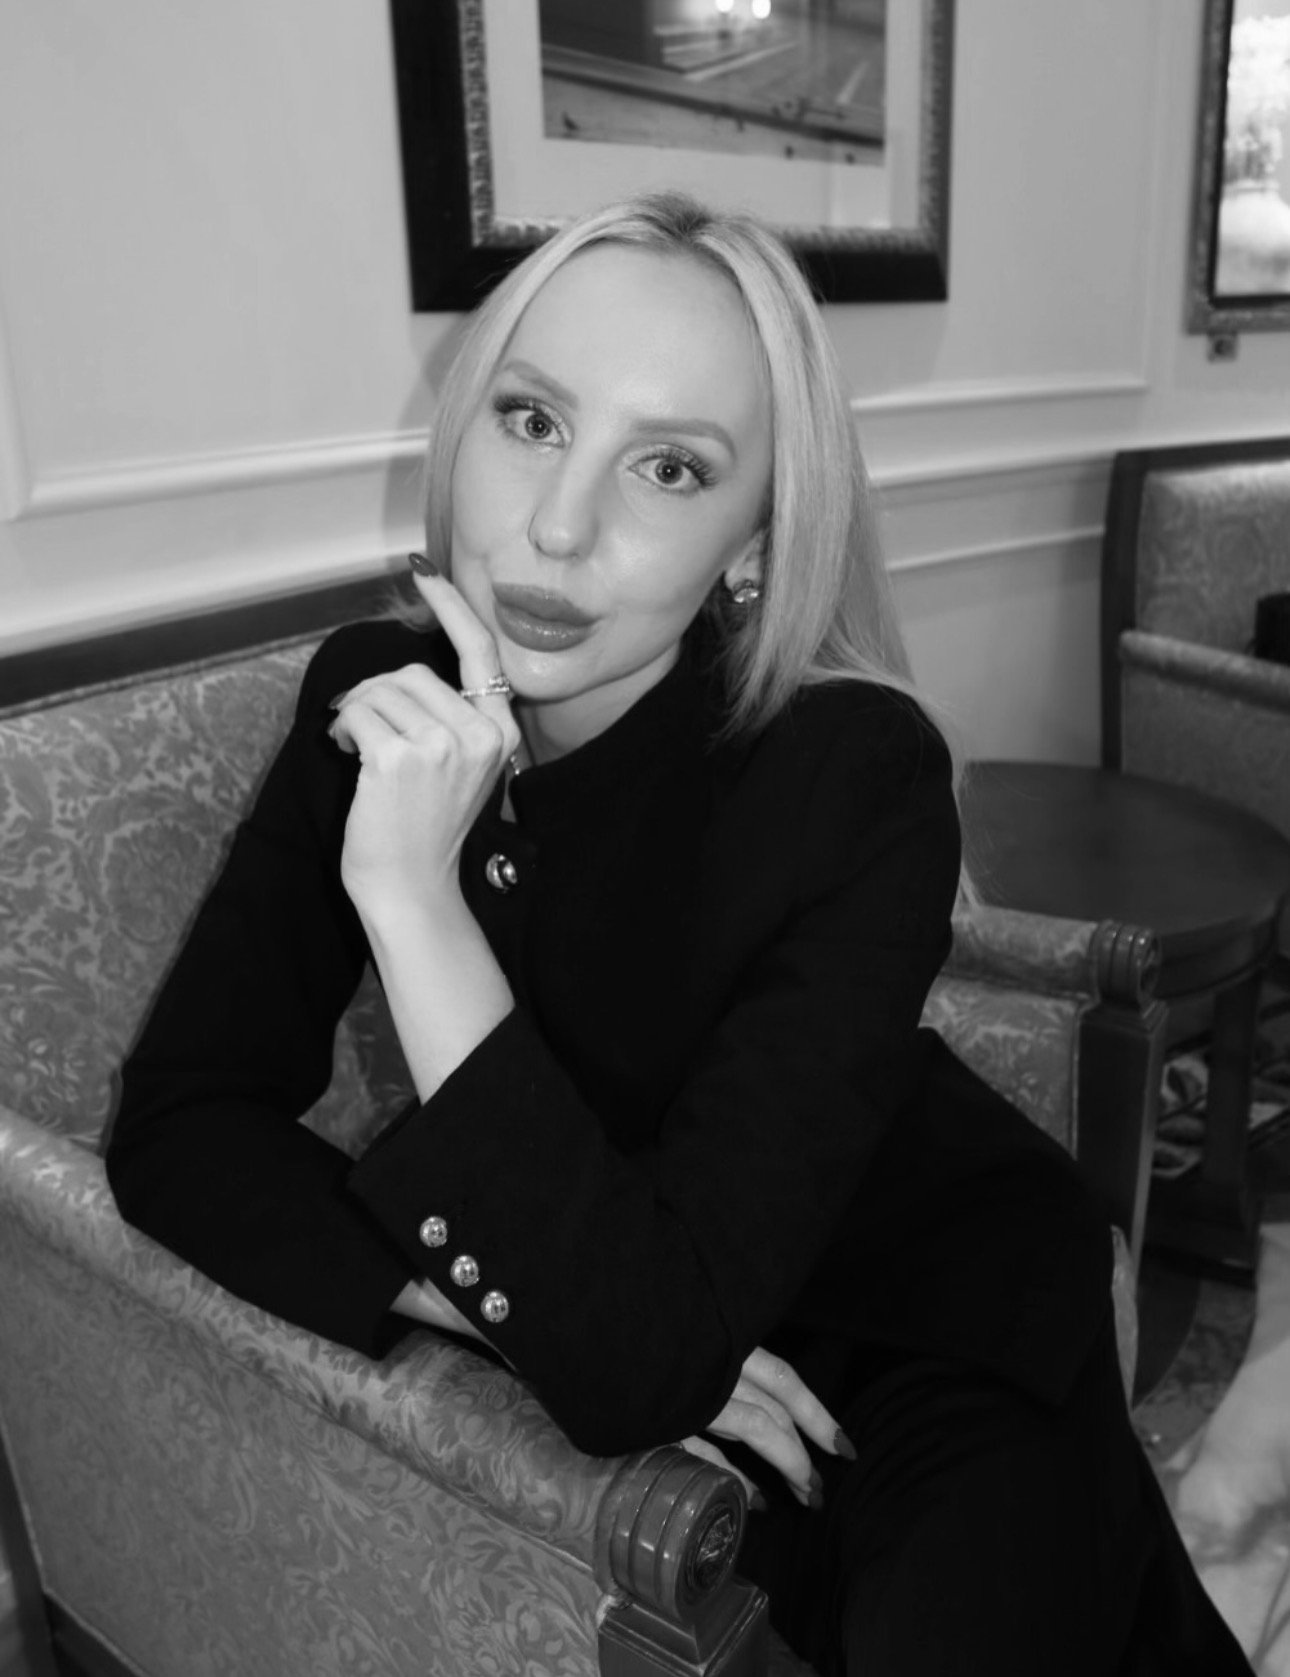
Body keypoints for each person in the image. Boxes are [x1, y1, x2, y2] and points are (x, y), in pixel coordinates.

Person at [105, 191, 1250, 1674]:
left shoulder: (856, 774)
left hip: (913, 1315)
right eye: (529, 420)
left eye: (669, 467)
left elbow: (647, 1356)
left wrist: (414, 901)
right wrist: (479, 1303)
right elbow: (181, 1124)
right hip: (641, 1313)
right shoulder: (373, 700)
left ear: (755, 537)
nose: (560, 524)